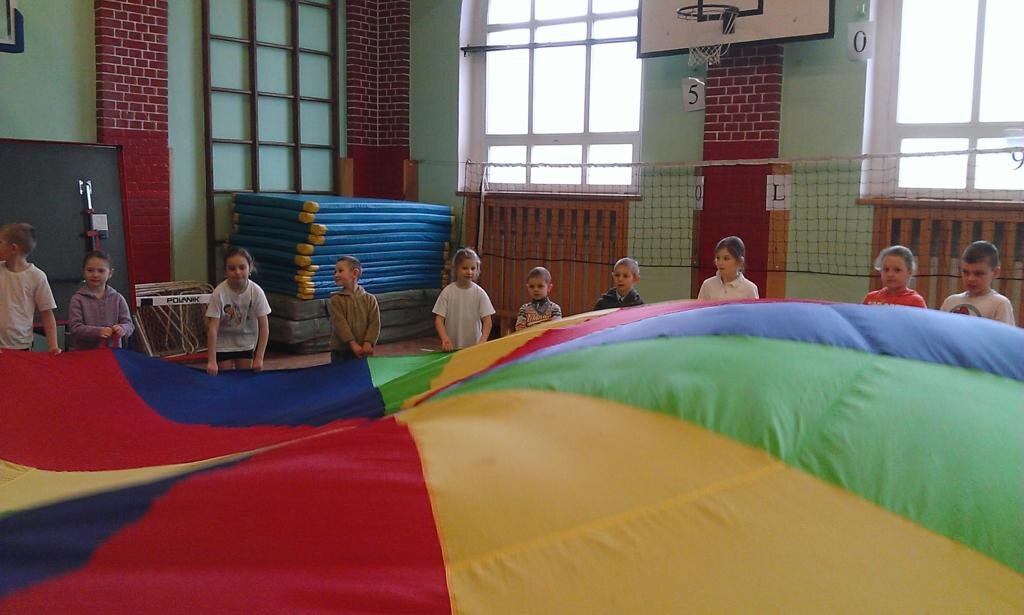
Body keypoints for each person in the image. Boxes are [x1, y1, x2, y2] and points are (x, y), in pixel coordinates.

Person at [205, 246, 271, 375]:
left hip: (246, 342)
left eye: (242, 267)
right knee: (225, 378)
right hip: (223, 344)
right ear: (225, 272)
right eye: (232, 268)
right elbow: (213, 328)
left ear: (250, 269)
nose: (237, 272)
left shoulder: (256, 292)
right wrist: (211, 361)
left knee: (243, 378)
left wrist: (259, 358)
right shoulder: (219, 293)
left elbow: (264, 327)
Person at [0, 223, 61, 354]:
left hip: (21, 345)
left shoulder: (37, 276)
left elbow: (47, 313)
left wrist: (53, 346)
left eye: (0, 242)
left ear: (13, 248)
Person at [67, 250, 135, 350]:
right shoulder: (77, 299)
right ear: (83, 271)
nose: (95, 275)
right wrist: (98, 332)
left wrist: (122, 329)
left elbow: (129, 325)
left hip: (113, 353)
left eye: (101, 271)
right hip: (86, 354)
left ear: (110, 273)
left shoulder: (118, 298)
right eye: (90, 270)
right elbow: (75, 328)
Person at [940, 241, 1015, 325]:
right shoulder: (950, 302)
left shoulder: (1000, 304)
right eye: (966, 272)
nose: (970, 279)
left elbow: (1004, 333)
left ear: (995, 272)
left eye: (978, 274)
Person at [433, 248, 495, 351]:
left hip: (474, 348)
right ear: (456, 269)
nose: (469, 272)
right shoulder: (447, 292)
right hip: (452, 347)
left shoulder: (480, 293)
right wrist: (445, 339)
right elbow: (439, 320)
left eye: (473, 268)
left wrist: (482, 341)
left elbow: (487, 321)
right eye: (465, 268)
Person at [327, 255, 381, 362]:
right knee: (341, 372)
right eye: (335, 272)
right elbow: (340, 324)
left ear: (355, 273)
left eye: (340, 271)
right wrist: (352, 343)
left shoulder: (370, 299)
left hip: (363, 349)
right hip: (341, 351)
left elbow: (375, 323)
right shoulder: (336, 299)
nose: (336, 274)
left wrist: (368, 342)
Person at [861, 245, 927, 308]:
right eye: (886, 269)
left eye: (897, 270)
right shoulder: (870, 298)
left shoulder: (915, 301)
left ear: (909, 272)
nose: (890, 274)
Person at [697, 236, 759, 301]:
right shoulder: (707, 285)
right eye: (718, 258)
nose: (720, 263)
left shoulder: (749, 288)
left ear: (739, 261)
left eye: (726, 258)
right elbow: (700, 307)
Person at [515, 266, 563, 331]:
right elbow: (519, 330)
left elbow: (556, 328)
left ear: (549, 287)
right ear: (527, 288)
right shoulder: (524, 310)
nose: (535, 289)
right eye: (532, 286)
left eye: (540, 286)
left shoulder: (554, 309)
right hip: (530, 337)